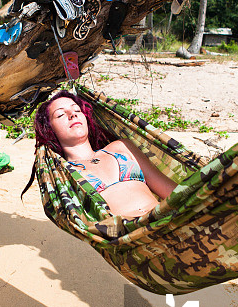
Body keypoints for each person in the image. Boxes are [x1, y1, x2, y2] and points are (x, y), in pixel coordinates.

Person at [33, 90, 177, 218]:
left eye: (77, 110)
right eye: (60, 115)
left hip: (166, 222)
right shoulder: (63, 172)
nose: (72, 115)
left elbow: (172, 192)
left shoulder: (121, 147)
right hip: (130, 238)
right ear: (49, 129)